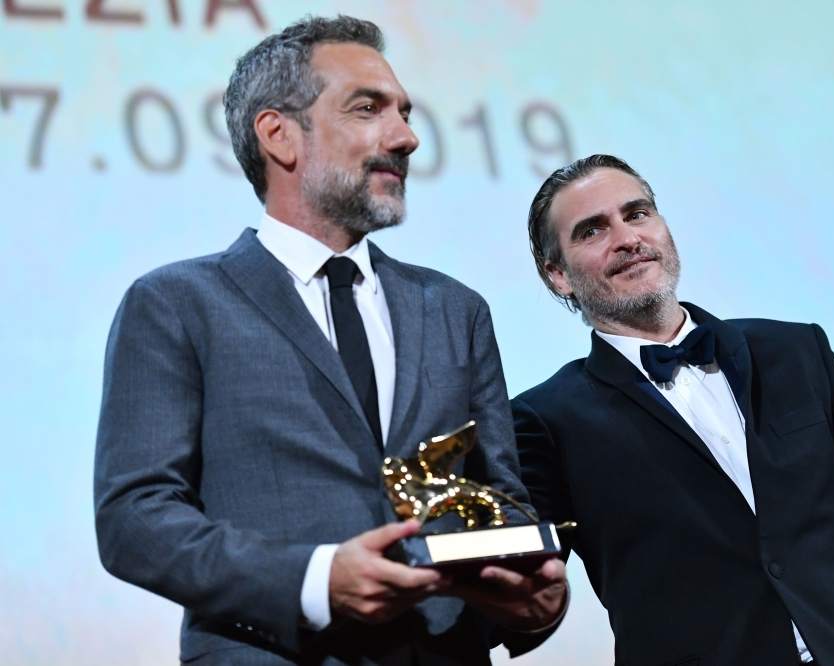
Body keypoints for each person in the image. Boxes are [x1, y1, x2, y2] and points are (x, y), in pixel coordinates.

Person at [94, 16, 566, 666]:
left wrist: (534, 595)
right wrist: (315, 581)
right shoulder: (177, 304)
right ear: (279, 135)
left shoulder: (457, 310)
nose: (406, 138)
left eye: (404, 112)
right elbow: (134, 520)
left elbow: (500, 498)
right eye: (368, 108)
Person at [511, 154, 834, 666]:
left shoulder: (796, 352)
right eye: (592, 231)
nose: (627, 238)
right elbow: (516, 588)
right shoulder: (545, 420)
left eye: (637, 214)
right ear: (557, 275)